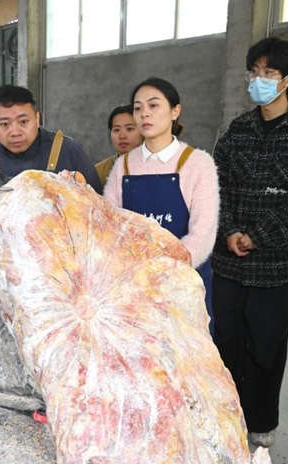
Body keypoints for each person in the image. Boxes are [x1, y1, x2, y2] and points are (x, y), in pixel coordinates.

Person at [211, 38, 288, 448]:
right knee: (225, 343)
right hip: (229, 261)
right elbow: (217, 187)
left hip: (277, 263)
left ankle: (260, 423)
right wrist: (228, 231)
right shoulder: (237, 131)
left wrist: (257, 236)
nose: (258, 80)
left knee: (265, 347)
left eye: (268, 73)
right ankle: (224, 417)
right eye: (254, 72)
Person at [104, 77, 219, 334]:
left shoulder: (198, 163)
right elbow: (109, 227)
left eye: (154, 105)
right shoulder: (123, 165)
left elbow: (202, 234)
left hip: (183, 286)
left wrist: (163, 273)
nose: (144, 113)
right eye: (138, 107)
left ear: (175, 111)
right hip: (133, 287)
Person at [0, 84, 103, 193]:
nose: (15, 132)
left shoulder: (69, 151)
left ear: (37, 119)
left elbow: (99, 202)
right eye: (4, 124)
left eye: (23, 121)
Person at [95, 104, 143, 185]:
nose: (122, 136)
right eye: (116, 130)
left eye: (129, 129)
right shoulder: (98, 171)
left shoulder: (159, 166)